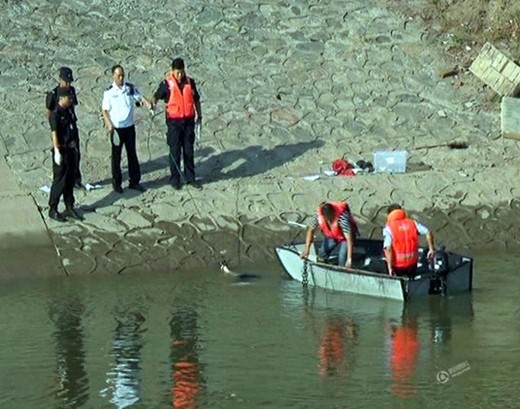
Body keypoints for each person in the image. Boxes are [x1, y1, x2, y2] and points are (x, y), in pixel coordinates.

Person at [150, 57, 203, 191]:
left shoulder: (190, 82)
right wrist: (153, 104)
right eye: (177, 73)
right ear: (172, 71)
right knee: (175, 152)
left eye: (181, 72)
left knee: (188, 151)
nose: (180, 75)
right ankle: (175, 179)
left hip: (189, 122)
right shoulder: (166, 84)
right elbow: (156, 96)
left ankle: (190, 178)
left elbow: (196, 100)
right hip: (174, 123)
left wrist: (200, 116)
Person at [102, 65, 151, 193]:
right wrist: (108, 123)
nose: (121, 78)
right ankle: (116, 183)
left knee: (132, 154)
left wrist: (148, 104)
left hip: (129, 127)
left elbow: (140, 97)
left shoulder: (129, 88)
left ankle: (134, 181)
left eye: (122, 75)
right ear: (113, 76)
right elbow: (105, 110)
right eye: (118, 75)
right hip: (117, 129)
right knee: (116, 156)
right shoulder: (109, 92)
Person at [48, 87, 83, 222]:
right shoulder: (55, 114)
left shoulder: (69, 111)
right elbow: (54, 134)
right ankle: (53, 208)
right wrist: (57, 151)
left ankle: (69, 206)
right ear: (62, 98)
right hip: (61, 150)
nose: (71, 100)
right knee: (60, 181)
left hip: (70, 150)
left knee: (70, 180)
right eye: (69, 98)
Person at [45, 67, 83, 189]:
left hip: (71, 125)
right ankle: (59, 179)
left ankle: (76, 178)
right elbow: (49, 112)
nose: (68, 84)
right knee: (60, 155)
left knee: (76, 152)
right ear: (60, 80)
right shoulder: (54, 93)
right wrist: (53, 127)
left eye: (70, 82)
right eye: (66, 81)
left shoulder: (71, 90)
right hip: (60, 128)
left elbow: (72, 107)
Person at [300, 201, 359, 268]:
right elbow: (310, 231)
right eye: (327, 218)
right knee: (322, 254)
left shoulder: (342, 218)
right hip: (332, 236)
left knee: (342, 257)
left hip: (344, 238)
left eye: (331, 218)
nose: (329, 220)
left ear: (333, 213)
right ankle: (323, 268)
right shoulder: (317, 216)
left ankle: (344, 269)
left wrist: (349, 260)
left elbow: (349, 240)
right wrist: (306, 250)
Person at [383, 204, 435, 277]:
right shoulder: (412, 223)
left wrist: (390, 268)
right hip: (412, 263)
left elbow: (388, 249)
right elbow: (427, 232)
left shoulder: (388, 228)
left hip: (398, 266)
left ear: (389, 214)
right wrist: (431, 249)